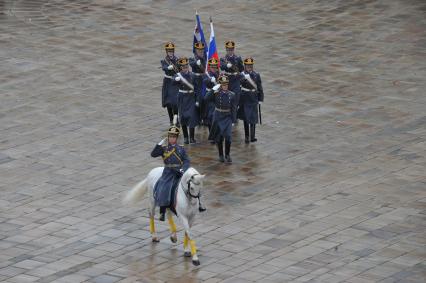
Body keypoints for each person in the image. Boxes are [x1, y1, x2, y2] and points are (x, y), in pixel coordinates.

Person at [151, 118, 206, 221]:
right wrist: (159, 144)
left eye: (174, 137)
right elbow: (153, 154)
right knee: (164, 187)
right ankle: (162, 211)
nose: (172, 139)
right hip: (168, 172)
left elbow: (186, 161)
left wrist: (183, 170)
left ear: (176, 138)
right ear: (168, 137)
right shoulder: (164, 148)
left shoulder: (180, 148)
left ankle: (200, 203)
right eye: (170, 136)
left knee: (193, 184)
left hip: (179, 172)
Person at [204, 75, 237, 163]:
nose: (225, 86)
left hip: (227, 117)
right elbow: (206, 98)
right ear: (220, 85)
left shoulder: (232, 95)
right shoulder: (216, 93)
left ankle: (227, 154)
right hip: (218, 116)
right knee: (219, 136)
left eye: (226, 84)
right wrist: (212, 90)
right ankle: (221, 155)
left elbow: (233, 109)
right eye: (223, 85)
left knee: (228, 136)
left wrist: (234, 120)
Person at [238, 57, 264, 143]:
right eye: (247, 65)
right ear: (245, 66)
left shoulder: (256, 75)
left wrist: (260, 98)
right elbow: (240, 82)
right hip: (245, 98)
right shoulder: (242, 74)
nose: (249, 67)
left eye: (250, 65)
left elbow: (259, 87)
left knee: (253, 118)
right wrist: (245, 78)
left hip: (253, 98)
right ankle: (246, 136)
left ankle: (252, 136)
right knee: (246, 118)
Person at [174, 57, 199, 144]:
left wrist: (197, 100)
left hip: (191, 97)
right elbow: (173, 81)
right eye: (183, 67)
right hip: (182, 98)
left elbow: (197, 88)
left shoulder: (193, 75)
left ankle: (191, 137)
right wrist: (175, 80)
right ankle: (185, 137)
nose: (185, 68)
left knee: (192, 117)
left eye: (186, 66)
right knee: (183, 117)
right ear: (181, 67)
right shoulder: (178, 75)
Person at [160, 42, 180, 125]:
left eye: (171, 51)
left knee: (175, 101)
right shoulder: (164, 61)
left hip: (175, 82)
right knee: (168, 102)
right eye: (169, 51)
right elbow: (164, 68)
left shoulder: (177, 60)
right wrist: (168, 68)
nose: (170, 52)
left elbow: (180, 68)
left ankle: (176, 117)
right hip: (168, 82)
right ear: (166, 51)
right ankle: (171, 119)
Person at [220, 41, 244, 107]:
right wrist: (226, 65)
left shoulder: (238, 58)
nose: (230, 51)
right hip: (227, 80)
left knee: (236, 97)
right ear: (226, 50)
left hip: (236, 79)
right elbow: (221, 67)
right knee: (227, 97)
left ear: (233, 49)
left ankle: (235, 110)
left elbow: (241, 69)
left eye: (231, 49)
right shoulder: (223, 59)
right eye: (228, 50)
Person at [203, 57, 220, 142]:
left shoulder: (219, 74)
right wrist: (210, 80)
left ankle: (216, 134)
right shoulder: (207, 74)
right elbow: (205, 81)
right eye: (212, 67)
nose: (214, 68)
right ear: (209, 67)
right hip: (209, 96)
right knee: (210, 116)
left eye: (215, 67)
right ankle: (211, 135)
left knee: (216, 116)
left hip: (217, 96)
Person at [189, 42, 207, 124]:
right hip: (196, 80)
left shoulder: (206, 58)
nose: (200, 51)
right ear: (196, 50)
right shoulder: (193, 58)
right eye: (199, 50)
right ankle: (198, 117)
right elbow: (191, 64)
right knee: (197, 99)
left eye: (201, 50)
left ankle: (203, 117)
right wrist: (196, 63)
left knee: (204, 99)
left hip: (203, 80)